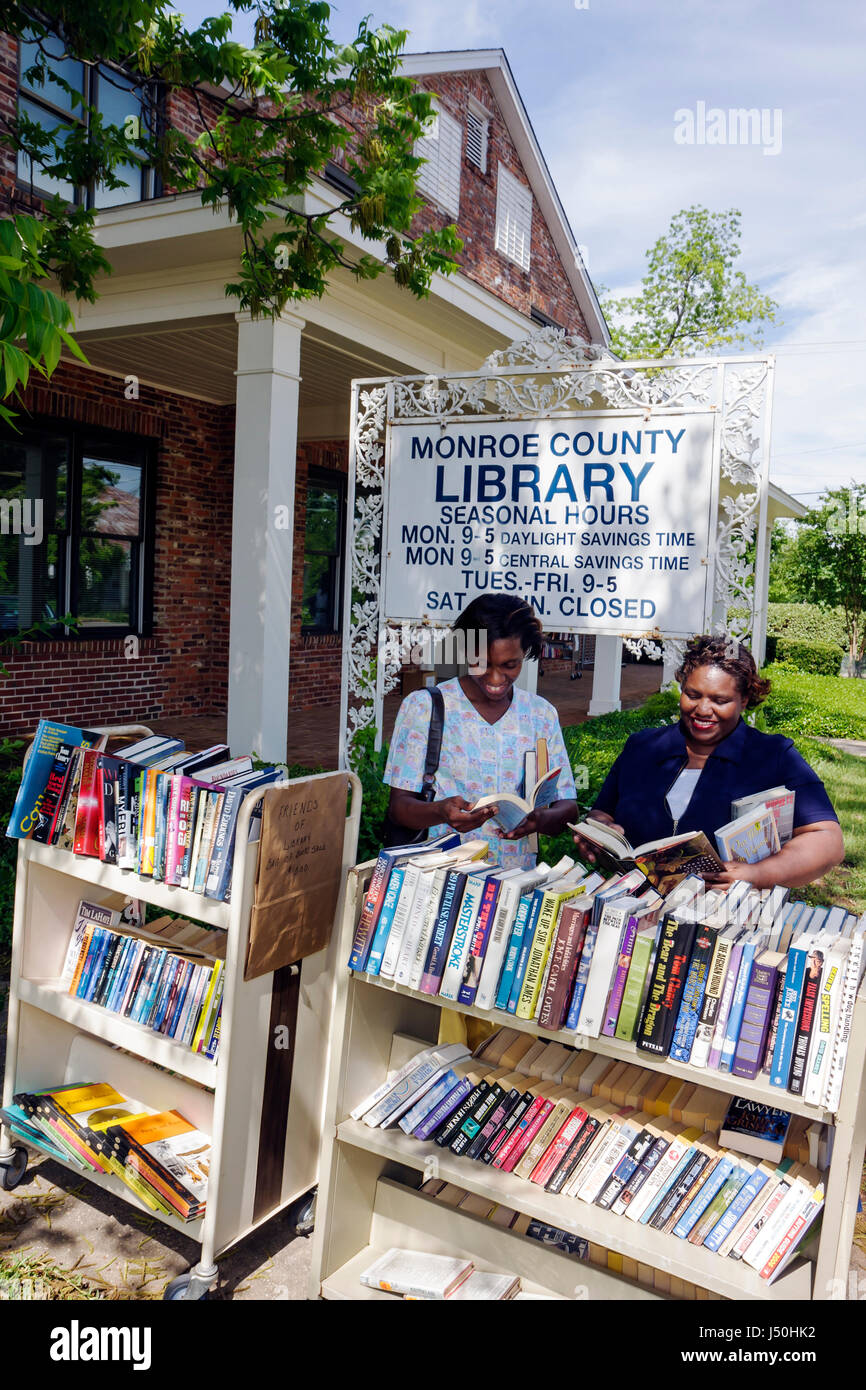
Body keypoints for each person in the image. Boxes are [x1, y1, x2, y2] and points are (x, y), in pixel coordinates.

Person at [572, 634, 843, 890]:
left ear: (745, 699)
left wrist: (757, 874)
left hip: (722, 920)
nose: (702, 709)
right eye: (692, 695)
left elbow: (827, 840)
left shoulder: (773, 756)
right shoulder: (643, 747)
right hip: (632, 908)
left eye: (720, 700)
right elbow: (601, 813)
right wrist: (598, 834)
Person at [383, 595, 578, 869]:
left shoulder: (540, 714)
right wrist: (441, 812)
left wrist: (539, 820)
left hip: (515, 882)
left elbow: (567, 805)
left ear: (526, 655)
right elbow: (399, 808)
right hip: (438, 879)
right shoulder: (424, 707)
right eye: (482, 663)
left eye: (510, 665)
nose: (496, 679)